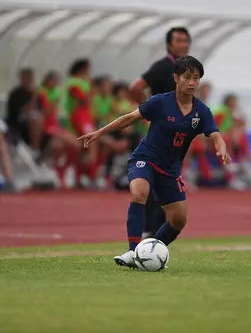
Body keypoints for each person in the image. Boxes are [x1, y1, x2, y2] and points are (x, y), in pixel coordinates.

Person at [78, 56, 231, 268]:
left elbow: (215, 135)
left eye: (196, 78)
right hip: (145, 159)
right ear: (176, 78)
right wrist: (100, 132)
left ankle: (149, 253)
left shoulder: (201, 111)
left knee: (179, 219)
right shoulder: (160, 102)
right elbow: (130, 118)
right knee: (139, 193)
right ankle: (133, 252)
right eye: (187, 77)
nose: (192, 82)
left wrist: (221, 148)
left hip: (170, 170)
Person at [129, 26, 191, 238]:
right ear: (169, 45)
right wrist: (149, 113)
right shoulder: (162, 67)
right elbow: (136, 87)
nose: (183, 44)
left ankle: (156, 230)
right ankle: (149, 230)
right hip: (158, 135)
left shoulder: (187, 71)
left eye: (186, 40)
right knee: (152, 179)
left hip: (176, 138)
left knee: (167, 179)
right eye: (179, 40)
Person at [64, 59, 98, 187]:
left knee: (84, 147)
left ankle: (80, 176)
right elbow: (83, 100)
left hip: (85, 117)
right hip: (79, 116)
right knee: (91, 141)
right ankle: (91, 176)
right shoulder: (74, 82)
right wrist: (91, 89)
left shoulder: (83, 82)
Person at [6, 68, 44, 159]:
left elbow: (40, 110)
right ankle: (34, 148)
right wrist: (33, 98)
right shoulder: (16, 93)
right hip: (18, 120)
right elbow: (23, 111)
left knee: (38, 119)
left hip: (35, 119)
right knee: (34, 119)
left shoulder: (36, 93)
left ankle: (41, 148)